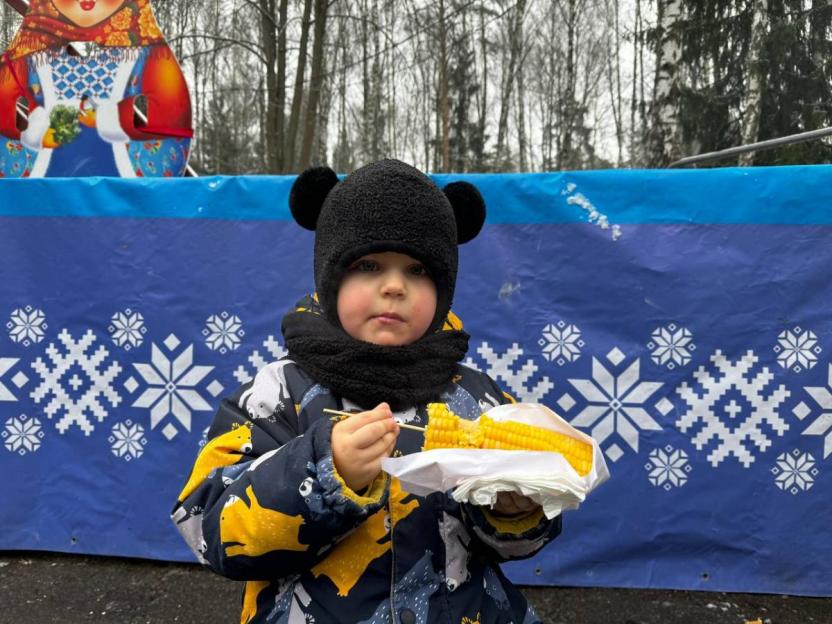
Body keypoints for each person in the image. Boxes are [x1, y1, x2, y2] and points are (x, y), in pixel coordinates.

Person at [172, 159, 562, 624]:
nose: (394, 286)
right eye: (369, 265)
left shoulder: (479, 402)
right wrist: (321, 472)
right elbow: (207, 526)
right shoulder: (275, 394)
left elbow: (516, 545)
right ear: (331, 277)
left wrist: (516, 514)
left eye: (417, 270)